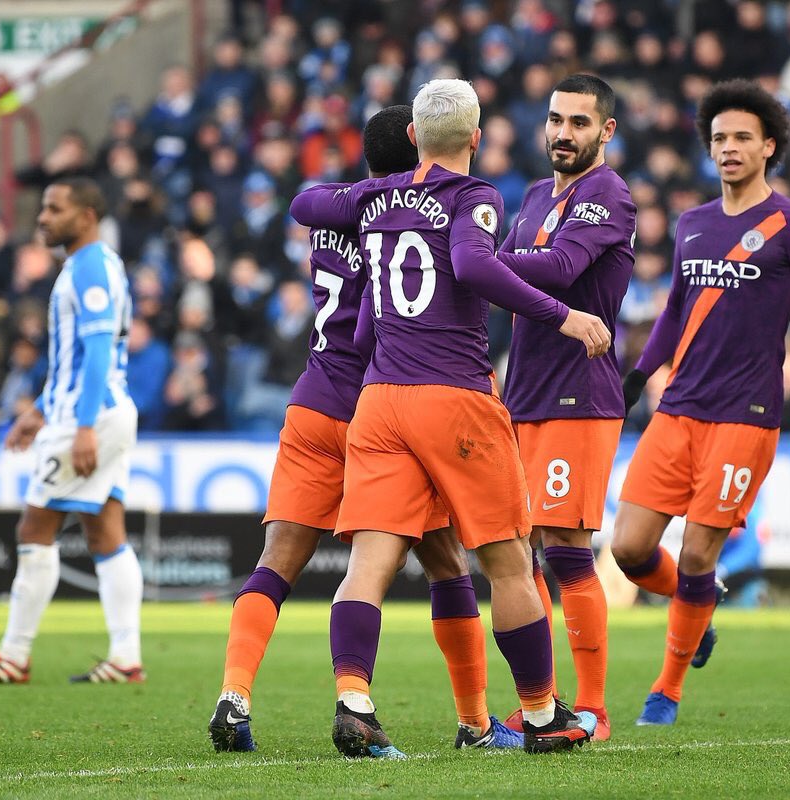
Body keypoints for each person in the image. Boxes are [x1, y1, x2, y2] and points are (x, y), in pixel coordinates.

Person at [289, 79, 609, 756]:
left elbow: (304, 203)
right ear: (476, 137)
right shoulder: (477, 198)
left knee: (370, 563)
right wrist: (563, 313)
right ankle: (542, 715)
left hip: (379, 404)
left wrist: (373, 194)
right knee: (508, 561)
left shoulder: (377, 196)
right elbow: (469, 263)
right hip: (454, 396)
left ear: (411, 137)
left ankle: (355, 699)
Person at [208, 105, 521, 754]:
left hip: (311, 401)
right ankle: (474, 721)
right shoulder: (411, 212)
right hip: (386, 409)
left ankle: (234, 696)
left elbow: (304, 201)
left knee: (276, 563)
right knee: (444, 565)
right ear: (421, 151)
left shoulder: (334, 213)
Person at [616, 79, 790, 726]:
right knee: (629, 551)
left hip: (745, 416)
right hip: (679, 408)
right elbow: (672, 312)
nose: (728, 148)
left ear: (769, 145)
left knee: (696, 554)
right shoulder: (691, 224)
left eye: (742, 137)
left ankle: (665, 690)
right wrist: (638, 378)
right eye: (719, 138)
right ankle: (703, 607)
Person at [492, 74, 634, 741]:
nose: (563, 133)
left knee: (568, 551)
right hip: (524, 394)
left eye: (580, 123)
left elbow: (560, 266)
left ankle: (596, 710)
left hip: (580, 394)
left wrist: (484, 261)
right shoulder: (530, 197)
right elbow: (523, 278)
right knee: (521, 556)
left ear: (605, 131)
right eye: (556, 120)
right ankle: (541, 705)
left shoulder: (608, 194)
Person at [0, 177, 141, 685]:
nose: (42, 217)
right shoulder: (88, 266)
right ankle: (126, 657)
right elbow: (75, 358)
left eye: (54, 209)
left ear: (85, 216)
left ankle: (15, 655)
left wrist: (81, 426)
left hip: (92, 416)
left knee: (35, 528)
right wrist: (39, 409)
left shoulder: (90, 269)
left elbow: (100, 351)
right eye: (43, 207)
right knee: (105, 530)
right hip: (98, 411)